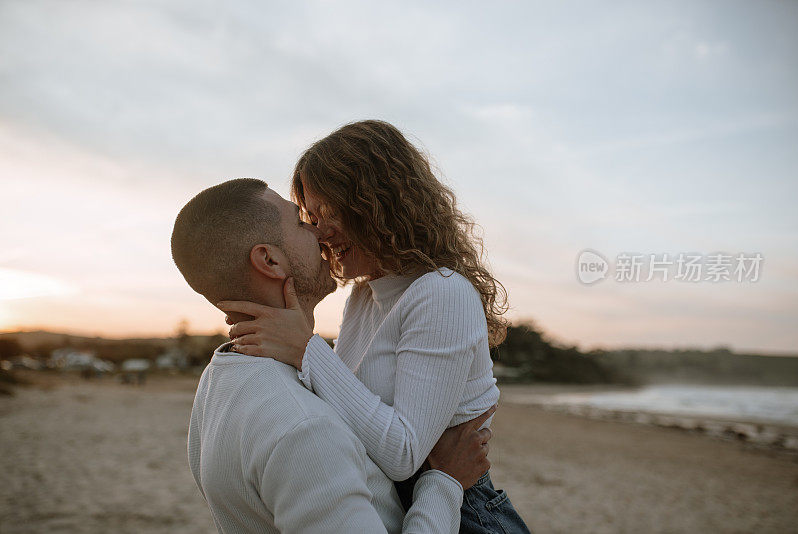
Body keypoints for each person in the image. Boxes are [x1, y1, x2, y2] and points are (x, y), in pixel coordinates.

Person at [219, 121, 531, 533]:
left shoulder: (443, 293)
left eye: (329, 211)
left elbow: (404, 454)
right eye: (310, 217)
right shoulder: (364, 298)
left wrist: (305, 348)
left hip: (466, 514)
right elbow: (344, 410)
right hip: (406, 506)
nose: (319, 233)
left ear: (380, 203)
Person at [171, 178, 494, 534]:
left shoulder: (217, 382)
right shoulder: (305, 430)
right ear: (269, 259)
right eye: (301, 221)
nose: (319, 232)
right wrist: (444, 482)